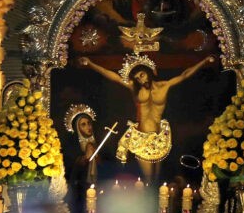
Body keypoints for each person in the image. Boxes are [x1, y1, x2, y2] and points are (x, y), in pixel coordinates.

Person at [77, 53, 215, 183]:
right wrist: (91, 64)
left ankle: (160, 206)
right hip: (142, 138)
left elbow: (184, 75)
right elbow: (114, 77)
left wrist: (203, 62)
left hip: (160, 137)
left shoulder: (164, 86)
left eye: (142, 75)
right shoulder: (134, 88)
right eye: (137, 78)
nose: (141, 79)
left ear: (149, 72)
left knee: (157, 178)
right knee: (148, 178)